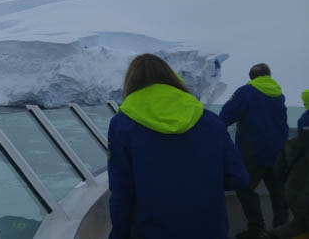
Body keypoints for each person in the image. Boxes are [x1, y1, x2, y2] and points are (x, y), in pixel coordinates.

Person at [108, 53, 248, 239]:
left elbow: (121, 194)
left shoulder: (122, 125)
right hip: (210, 229)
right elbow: (238, 178)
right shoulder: (210, 121)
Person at [220, 63, 290, 237]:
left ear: (251, 77)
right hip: (278, 152)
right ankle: (281, 231)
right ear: (269, 75)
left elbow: (225, 116)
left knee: (244, 187)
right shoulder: (279, 95)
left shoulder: (245, 92)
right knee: (278, 193)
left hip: (253, 152)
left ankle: (256, 228)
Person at [264, 91, 309, 239]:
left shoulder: (291, 145)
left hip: (294, 193)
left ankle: (272, 235)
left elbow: (279, 172)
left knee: (300, 223)